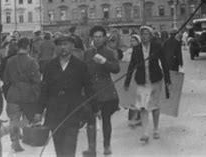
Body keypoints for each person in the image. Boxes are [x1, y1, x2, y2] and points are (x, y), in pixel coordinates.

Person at [35, 36, 98, 157]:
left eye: (66, 44)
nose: (63, 47)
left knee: (69, 147)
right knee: (59, 148)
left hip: (72, 112)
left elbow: (89, 89)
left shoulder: (81, 66)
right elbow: (44, 90)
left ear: (72, 46)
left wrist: (95, 108)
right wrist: (39, 110)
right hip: (54, 112)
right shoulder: (50, 66)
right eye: (60, 45)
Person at [124, 26, 171, 143]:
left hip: (155, 80)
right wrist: (127, 81)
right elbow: (131, 66)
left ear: (150, 36)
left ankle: (155, 129)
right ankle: (145, 132)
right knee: (142, 106)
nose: (144, 36)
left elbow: (164, 63)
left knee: (154, 105)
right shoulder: (136, 49)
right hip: (142, 81)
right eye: (142, 34)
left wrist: (168, 80)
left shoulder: (157, 47)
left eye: (146, 34)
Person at [83, 26, 121, 156]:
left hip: (105, 89)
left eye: (100, 37)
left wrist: (105, 61)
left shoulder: (109, 52)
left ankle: (107, 146)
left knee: (106, 119)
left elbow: (116, 69)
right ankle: (91, 148)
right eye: (95, 37)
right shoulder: (87, 53)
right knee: (90, 119)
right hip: (91, 90)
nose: (98, 39)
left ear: (104, 38)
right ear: (92, 38)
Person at [3, 37, 41, 152]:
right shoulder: (32, 61)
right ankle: (25, 138)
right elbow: (37, 80)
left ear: (18, 47)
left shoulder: (10, 61)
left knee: (14, 119)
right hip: (28, 93)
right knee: (26, 118)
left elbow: (5, 79)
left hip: (13, 93)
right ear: (28, 47)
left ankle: (14, 139)